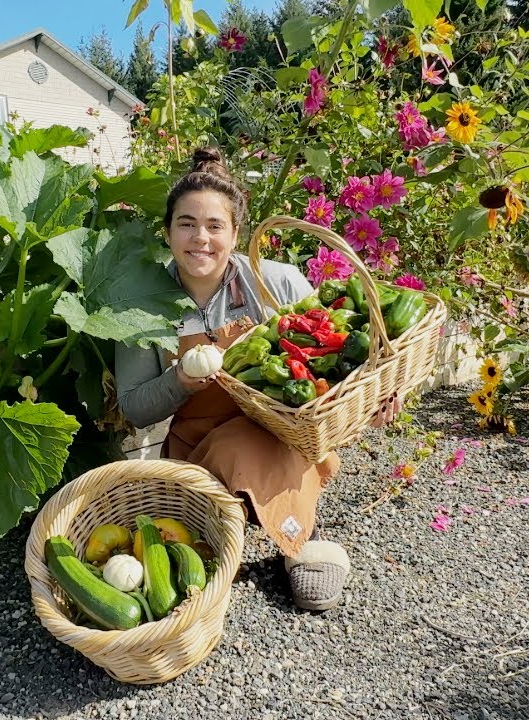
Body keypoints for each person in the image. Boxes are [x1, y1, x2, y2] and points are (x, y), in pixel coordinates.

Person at [114, 147, 400, 611]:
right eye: (186, 224)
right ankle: (274, 525)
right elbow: (134, 407)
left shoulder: (280, 284)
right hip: (195, 443)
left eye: (215, 226)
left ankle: (301, 534)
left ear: (236, 233)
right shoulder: (136, 306)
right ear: (167, 232)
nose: (199, 239)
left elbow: (341, 366)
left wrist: (374, 401)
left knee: (251, 447)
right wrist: (183, 379)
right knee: (216, 468)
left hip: (282, 435)